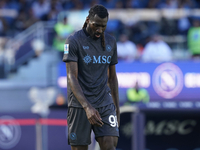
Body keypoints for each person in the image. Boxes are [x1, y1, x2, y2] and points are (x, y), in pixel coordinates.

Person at [63, 4, 120, 150]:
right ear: (88, 20)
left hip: (104, 102)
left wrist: (117, 109)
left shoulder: (111, 42)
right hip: (80, 104)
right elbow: (71, 77)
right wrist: (87, 107)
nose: (99, 30)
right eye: (96, 25)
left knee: (110, 146)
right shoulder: (73, 41)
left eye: (103, 26)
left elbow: (112, 78)